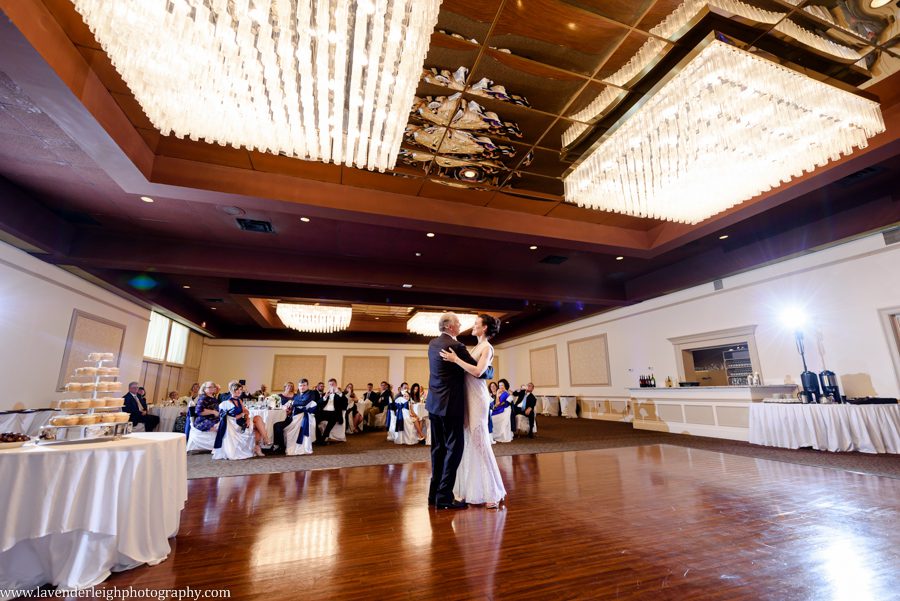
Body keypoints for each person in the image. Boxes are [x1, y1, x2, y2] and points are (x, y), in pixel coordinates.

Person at [441, 313, 507, 508]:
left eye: (477, 323)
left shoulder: (487, 348)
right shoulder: (476, 346)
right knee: (469, 442)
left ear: (485, 327)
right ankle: (472, 490)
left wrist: (455, 360)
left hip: (478, 398)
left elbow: (478, 372)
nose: (473, 325)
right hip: (467, 398)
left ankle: (492, 492)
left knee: (480, 442)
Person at [427, 312, 478, 510]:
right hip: (450, 406)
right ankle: (444, 497)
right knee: (454, 449)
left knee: (438, 449)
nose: (460, 324)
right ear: (449, 327)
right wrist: (490, 371)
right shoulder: (456, 346)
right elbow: (477, 370)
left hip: (434, 404)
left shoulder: (432, 344)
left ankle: (434, 494)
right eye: (458, 322)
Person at [268, 379, 320, 455]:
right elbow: (295, 405)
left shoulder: (311, 393)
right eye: (300, 385)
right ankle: (279, 446)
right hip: (293, 417)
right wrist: (290, 409)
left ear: (307, 386)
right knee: (276, 425)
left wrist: (292, 402)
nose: (302, 387)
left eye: (304, 385)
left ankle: (282, 447)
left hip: (301, 419)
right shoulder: (298, 394)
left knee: (278, 425)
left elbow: (304, 402)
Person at [316, 378, 347, 444]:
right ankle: (319, 438)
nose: (331, 386)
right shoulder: (325, 393)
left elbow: (345, 403)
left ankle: (324, 438)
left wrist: (339, 393)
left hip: (334, 413)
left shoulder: (340, 394)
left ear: (336, 385)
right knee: (313, 419)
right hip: (324, 412)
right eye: (330, 385)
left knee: (332, 418)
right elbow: (318, 403)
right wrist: (325, 397)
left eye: (333, 384)